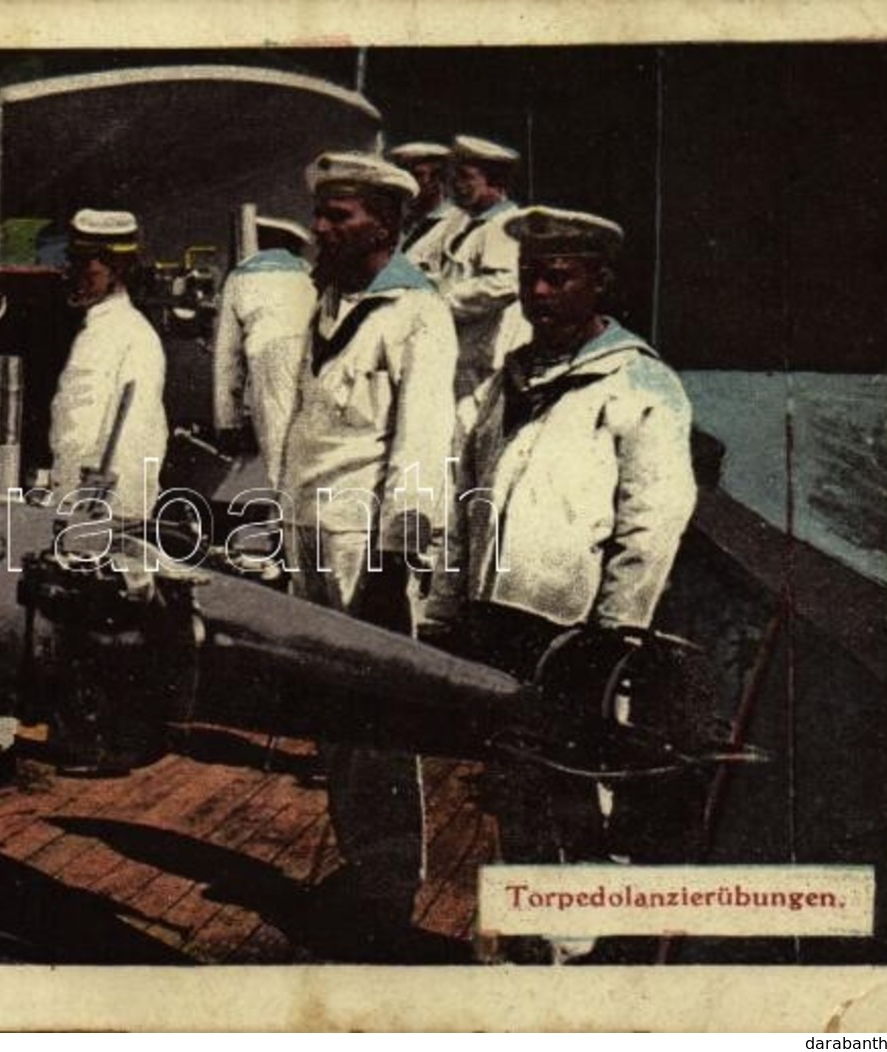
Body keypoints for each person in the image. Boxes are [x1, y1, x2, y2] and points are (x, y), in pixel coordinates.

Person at [421, 206, 697, 962]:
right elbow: (463, 502)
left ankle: (571, 952)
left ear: (598, 281)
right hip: (495, 616)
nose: (536, 292)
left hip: (574, 630)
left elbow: (652, 521)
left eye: (556, 276)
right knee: (512, 782)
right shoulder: (506, 384)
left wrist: (612, 634)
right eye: (526, 277)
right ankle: (522, 941)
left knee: (573, 782)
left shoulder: (639, 383)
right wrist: (445, 605)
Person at [281, 151, 460, 954]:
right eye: (321, 214)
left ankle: (388, 891)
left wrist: (393, 564)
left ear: (383, 224)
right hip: (311, 538)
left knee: (378, 719)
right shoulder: (330, 307)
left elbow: (422, 447)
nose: (321, 228)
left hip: (366, 548)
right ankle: (361, 867)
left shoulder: (416, 314)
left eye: (339, 216)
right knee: (332, 714)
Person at [47, 209, 168, 519]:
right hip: (85, 503)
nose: (74, 275)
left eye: (85, 266)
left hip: (101, 510)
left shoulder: (127, 335)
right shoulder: (104, 328)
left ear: (115, 269)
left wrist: (98, 508)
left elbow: (131, 435)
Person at [210, 214, 317, 490]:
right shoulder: (309, 273)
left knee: (278, 453)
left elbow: (227, 357)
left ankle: (284, 521)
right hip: (314, 356)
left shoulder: (240, 276)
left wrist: (228, 422)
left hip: (268, 359)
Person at [437, 134, 531, 402]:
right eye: (456, 177)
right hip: (468, 355)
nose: (457, 185)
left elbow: (505, 284)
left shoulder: (502, 225)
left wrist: (443, 301)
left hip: (486, 360)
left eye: (467, 177)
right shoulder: (473, 226)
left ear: (495, 182)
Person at [385, 141, 464, 278]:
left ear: (437, 178)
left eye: (415, 175)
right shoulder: (395, 222)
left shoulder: (458, 226)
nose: (404, 185)